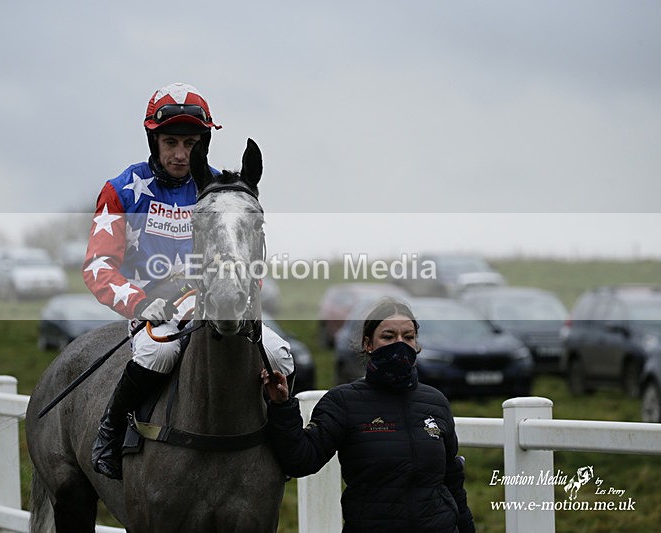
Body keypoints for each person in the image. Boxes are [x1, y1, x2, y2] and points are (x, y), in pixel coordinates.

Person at [83, 82, 294, 480]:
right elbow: (98, 266)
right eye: (171, 142)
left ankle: (283, 441)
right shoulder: (121, 191)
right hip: (154, 308)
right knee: (157, 354)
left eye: (191, 144)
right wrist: (140, 302)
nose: (181, 154)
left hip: (219, 304)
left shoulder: (225, 190)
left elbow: (250, 253)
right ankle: (109, 435)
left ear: (204, 145)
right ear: (154, 139)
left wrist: (243, 297)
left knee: (280, 354)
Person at [262, 297, 475, 532]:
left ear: (416, 343)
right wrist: (282, 406)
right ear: (368, 344)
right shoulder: (343, 401)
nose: (400, 344)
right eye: (388, 336)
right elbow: (300, 460)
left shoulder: (435, 402)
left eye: (408, 337)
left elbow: (453, 481)